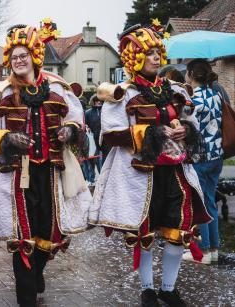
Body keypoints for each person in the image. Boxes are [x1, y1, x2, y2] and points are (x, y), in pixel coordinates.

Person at [0, 23, 93, 306]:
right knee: (23, 236)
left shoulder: (58, 87)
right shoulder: (1, 93)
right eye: (14, 57)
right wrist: (7, 138)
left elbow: (76, 117)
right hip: (16, 176)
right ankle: (27, 297)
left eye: (23, 55)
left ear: (35, 56)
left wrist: (69, 131)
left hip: (51, 172)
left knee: (48, 233)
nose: (18, 61)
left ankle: (38, 272)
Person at [89, 21, 211, 307]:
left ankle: (168, 289)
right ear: (135, 56)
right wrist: (152, 133)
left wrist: (186, 131)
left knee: (176, 231)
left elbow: (191, 121)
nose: (156, 57)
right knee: (143, 234)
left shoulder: (176, 90)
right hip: (139, 176)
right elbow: (109, 135)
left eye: (158, 52)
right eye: (149, 52)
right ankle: (147, 289)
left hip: (175, 172)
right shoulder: (122, 94)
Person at [182, 59, 223, 265]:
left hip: (200, 157)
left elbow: (187, 128)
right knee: (210, 202)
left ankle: (204, 251)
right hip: (217, 156)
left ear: (190, 74)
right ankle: (214, 249)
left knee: (199, 204)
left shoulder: (193, 101)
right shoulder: (216, 95)